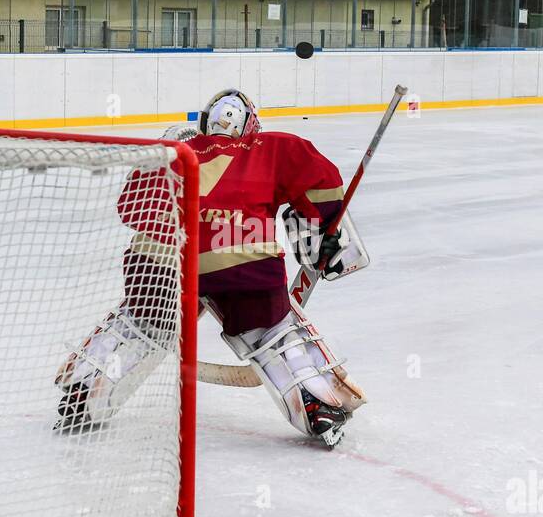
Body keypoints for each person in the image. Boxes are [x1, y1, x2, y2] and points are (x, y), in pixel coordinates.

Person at [57, 88, 365, 447]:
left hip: (158, 259)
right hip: (240, 258)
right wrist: (326, 231)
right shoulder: (272, 146)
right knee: (273, 334)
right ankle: (317, 406)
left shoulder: (173, 152)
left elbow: (130, 209)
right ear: (250, 124)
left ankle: (83, 392)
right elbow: (321, 185)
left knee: (140, 325)